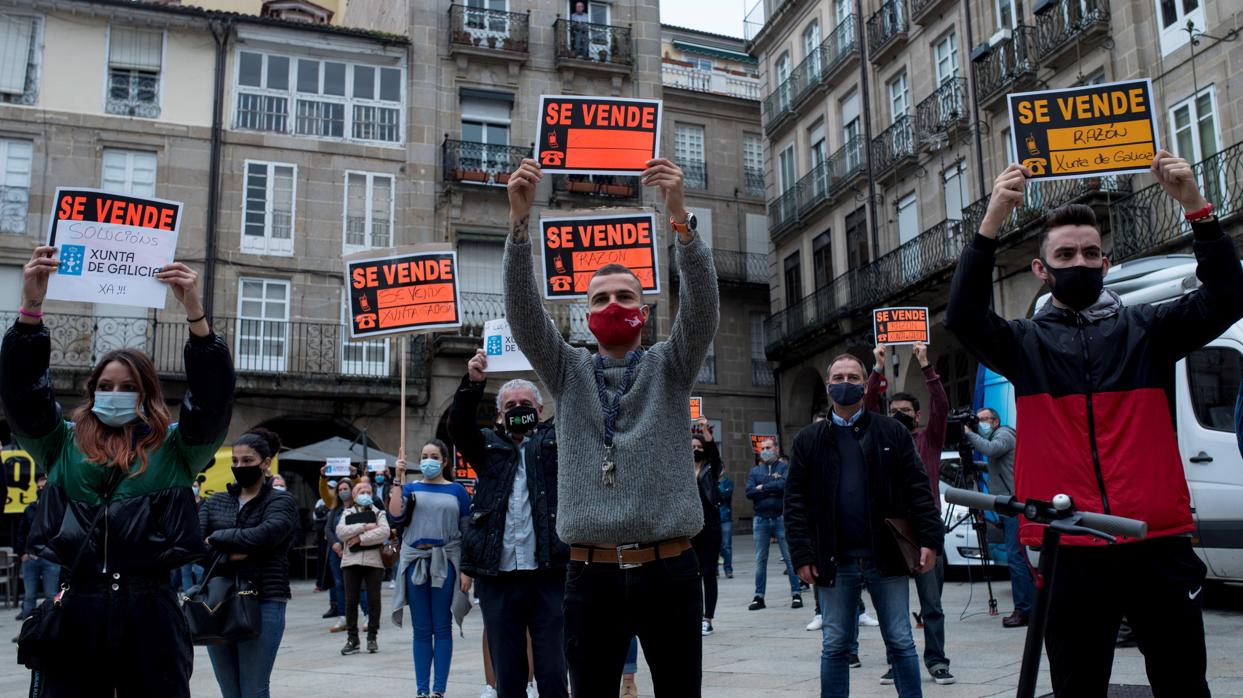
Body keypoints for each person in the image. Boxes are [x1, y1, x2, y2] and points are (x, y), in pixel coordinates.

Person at [943, 152, 1243, 697]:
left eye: (1088, 252)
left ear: (1106, 263)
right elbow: (963, 316)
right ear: (1042, 268)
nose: (1078, 261)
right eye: (1064, 254)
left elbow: (1227, 296)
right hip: (1071, 545)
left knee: (1183, 684)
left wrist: (1196, 207)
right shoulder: (1024, 345)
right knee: (1078, 687)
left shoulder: (1148, 331)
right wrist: (991, 222)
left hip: (1156, 540)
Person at [504, 157, 717, 695]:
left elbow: (704, 311)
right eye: (600, 298)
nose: (613, 304)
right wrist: (517, 226)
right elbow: (526, 316)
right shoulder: (568, 369)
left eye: (626, 296)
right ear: (584, 314)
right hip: (589, 575)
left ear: (643, 311)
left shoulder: (671, 364)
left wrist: (680, 222)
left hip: (670, 571)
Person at [0, 248, 234, 696]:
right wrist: (30, 311)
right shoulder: (60, 444)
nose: (115, 393)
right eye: (106, 386)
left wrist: (197, 318)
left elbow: (212, 402)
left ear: (146, 394)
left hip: (152, 611)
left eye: (128, 387)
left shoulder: (177, 449)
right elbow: (23, 393)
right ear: (91, 391)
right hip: (78, 607)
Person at [784, 353, 943, 698]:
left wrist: (929, 539)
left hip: (885, 556)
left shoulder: (892, 432)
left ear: (864, 383)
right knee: (836, 644)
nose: (845, 384)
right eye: (838, 377)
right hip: (834, 560)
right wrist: (801, 554)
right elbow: (795, 502)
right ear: (828, 387)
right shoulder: (808, 440)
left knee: (901, 640)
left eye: (853, 377)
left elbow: (919, 489)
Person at [450, 352, 569, 698]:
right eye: (511, 404)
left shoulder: (553, 443)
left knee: (552, 672)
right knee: (509, 674)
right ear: (500, 414)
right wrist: (473, 383)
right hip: (498, 578)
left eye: (526, 403)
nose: (519, 409)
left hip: (547, 575)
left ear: (540, 410)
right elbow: (458, 427)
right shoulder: (487, 446)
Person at [865, 343, 954, 685]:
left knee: (932, 603)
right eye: (895, 411)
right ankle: (897, 660)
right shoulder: (879, 438)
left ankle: (937, 661)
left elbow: (942, 406)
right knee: (893, 605)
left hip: (926, 531)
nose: (900, 415)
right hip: (891, 532)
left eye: (906, 411)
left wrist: (926, 365)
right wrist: (876, 368)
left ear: (917, 416)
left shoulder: (928, 441)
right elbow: (870, 405)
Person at [200, 429, 299, 698]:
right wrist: (233, 551)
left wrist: (218, 538)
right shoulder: (215, 501)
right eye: (235, 461)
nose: (239, 467)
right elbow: (193, 545)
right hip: (218, 600)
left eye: (247, 460)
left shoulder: (281, 500)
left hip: (264, 599)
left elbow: (268, 535)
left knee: (254, 689)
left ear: (266, 463)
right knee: (229, 691)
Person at [387, 440, 471, 698]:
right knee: (421, 629)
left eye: (434, 456)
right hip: (415, 562)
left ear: (444, 461)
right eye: (424, 455)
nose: (429, 460)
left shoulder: (458, 491)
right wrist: (397, 480)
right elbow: (395, 517)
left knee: (442, 627)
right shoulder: (409, 488)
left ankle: (439, 690)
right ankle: (422, 690)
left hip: (446, 562)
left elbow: (467, 532)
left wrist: (467, 570)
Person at [962, 407, 1031, 628]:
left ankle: (1024, 609)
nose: (981, 423)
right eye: (978, 420)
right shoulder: (998, 437)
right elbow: (994, 464)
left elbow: (991, 450)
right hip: (1008, 505)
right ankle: (1028, 606)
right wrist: (973, 466)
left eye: (985, 419)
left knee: (1016, 557)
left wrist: (968, 433)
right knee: (1018, 557)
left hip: (1014, 504)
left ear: (995, 421)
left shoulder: (1004, 434)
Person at [745, 438, 802, 611]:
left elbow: (785, 485)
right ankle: (759, 596)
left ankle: (796, 593)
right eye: (763, 448)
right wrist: (769, 489)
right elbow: (749, 491)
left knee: (789, 558)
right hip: (761, 519)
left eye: (768, 447)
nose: (765, 451)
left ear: (776, 449)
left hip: (780, 518)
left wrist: (763, 488)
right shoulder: (755, 470)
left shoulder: (784, 468)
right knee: (760, 559)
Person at [337, 479, 391, 655]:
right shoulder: (347, 512)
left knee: (374, 599)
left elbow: (384, 532)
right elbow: (341, 532)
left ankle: (372, 637)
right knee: (351, 600)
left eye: (368, 492)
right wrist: (365, 527)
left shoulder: (379, 513)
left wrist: (360, 538)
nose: (365, 495)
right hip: (351, 561)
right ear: (354, 495)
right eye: (361, 492)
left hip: (374, 562)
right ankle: (352, 638)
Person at [691, 418, 723, 636]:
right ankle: (692, 614)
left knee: (708, 573)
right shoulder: (683, 470)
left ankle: (707, 618)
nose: (695, 450)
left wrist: (704, 430)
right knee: (691, 573)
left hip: (710, 526)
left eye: (699, 447)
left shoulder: (711, 468)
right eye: (692, 447)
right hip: (690, 528)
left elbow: (714, 452)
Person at [15, 474, 57, 621]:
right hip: (30, 558)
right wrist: (23, 553)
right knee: (29, 596)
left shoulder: (56, 509)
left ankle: (50, 630)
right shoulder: (30, 509)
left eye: (43, 487)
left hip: (50, 558)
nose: (40, 490)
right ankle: (27, 633)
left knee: (51, 596)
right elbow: (21, 533)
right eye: (38, 488)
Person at [718, 460, 734, 579]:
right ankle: (715, 569)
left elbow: (725, 496)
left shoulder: (728, 482)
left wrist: (717, 490)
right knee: (714, 545)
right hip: (714, 517)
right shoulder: (710, 481)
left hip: (725, 518)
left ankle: (728, 569)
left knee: (727, 545)